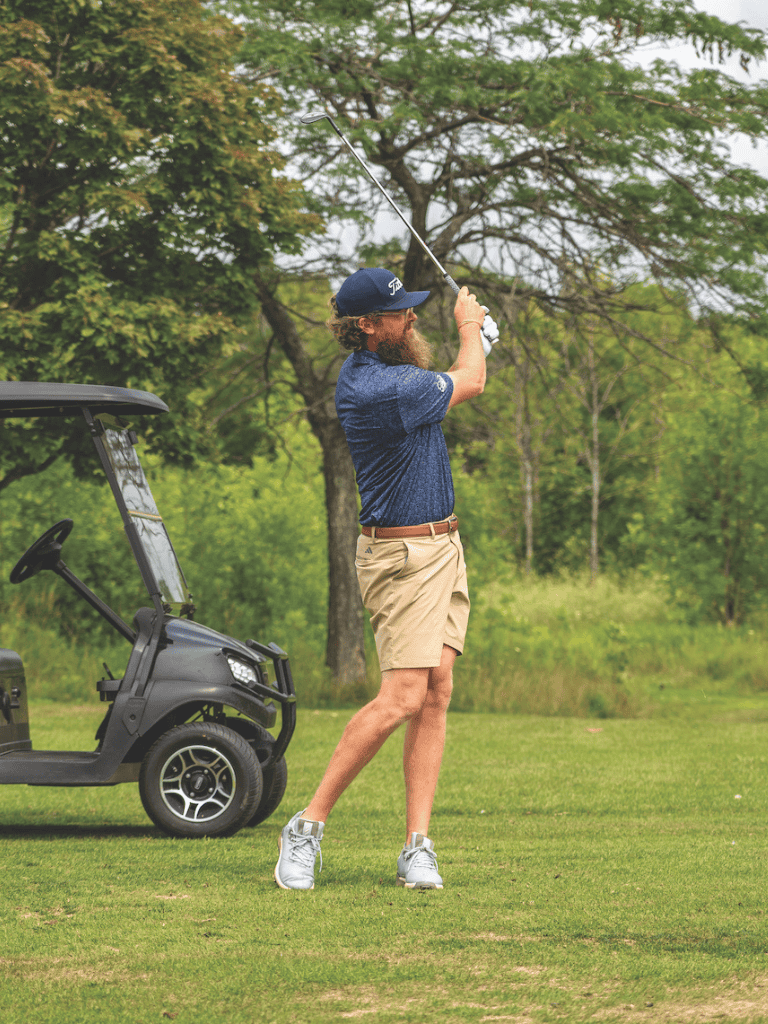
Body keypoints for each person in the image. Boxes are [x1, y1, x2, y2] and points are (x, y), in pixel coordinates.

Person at [274, 267, 497, 891]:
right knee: (402, 697)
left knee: (437, 691)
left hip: (442, 547)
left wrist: (476, 340)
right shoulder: (380, 387)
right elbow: (472, 379)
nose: (412, 316)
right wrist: (471, 327)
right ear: (369, 326)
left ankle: (417, 847)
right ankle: (306, 827)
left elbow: (459, 375)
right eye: (400, 312)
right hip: (402, 558)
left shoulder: (399, 375)